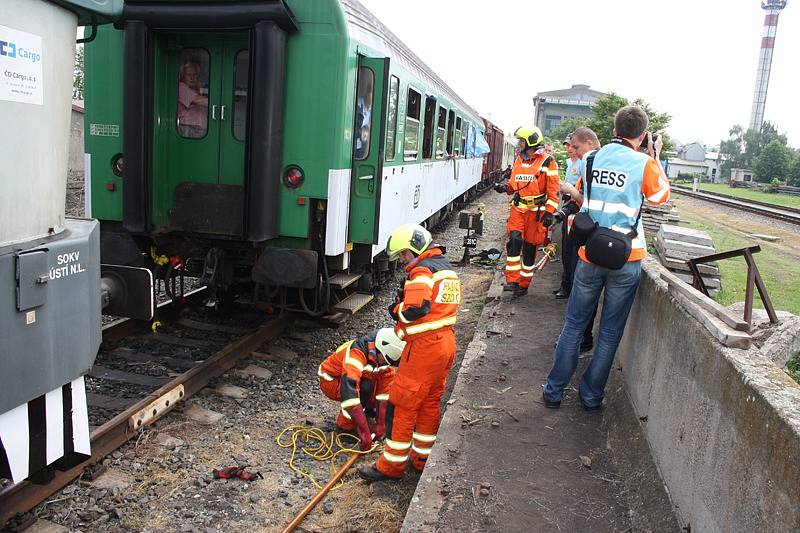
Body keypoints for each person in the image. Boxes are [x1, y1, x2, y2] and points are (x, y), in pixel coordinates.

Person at [543, 106, 670, 410]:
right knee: (610, 333)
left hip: (590, 253)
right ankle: (590, 396)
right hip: (628, 257)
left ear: (614, 130)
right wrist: (654, 155)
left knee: (573, 325)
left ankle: (554, 391)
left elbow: (585, 196)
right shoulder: (645, 164)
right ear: (643, 135)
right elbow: (660, 197)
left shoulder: (591, 158)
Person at [359, 224, 461, 481]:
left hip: (425, 348)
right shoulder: (446, 270)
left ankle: (390, 467)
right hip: (446, 343)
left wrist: (396, 309)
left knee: (403, 404)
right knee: (428, 402)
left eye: (404, 254)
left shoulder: (423, 271)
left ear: (415, 248)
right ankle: (421, 458)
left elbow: (415, 309)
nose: (403, 260)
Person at [494, 126, 560, 296]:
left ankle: (524, 283)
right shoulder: (518, 160)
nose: (519, 144)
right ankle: (512, 280)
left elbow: (553, 191)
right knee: (514, 241)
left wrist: (549, 212)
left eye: (521, 141)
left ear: (530, 142)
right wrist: (504, 188)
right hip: (518, 209)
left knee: (530, 248)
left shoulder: (548, 162)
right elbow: (514, 184)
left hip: (536, 213)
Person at [318, 328, 404, 451]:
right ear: (380, 351)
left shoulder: (382, 358)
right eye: (385, 360)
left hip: (350, 380)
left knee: (375, 386)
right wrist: (364, 432)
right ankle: (345, 426)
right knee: (364, 388)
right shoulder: (356, 354)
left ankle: (366, 411)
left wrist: (381, 424)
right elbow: (349, 393)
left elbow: (384, 393)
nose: (386, 364)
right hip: (331, 381)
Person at [177, 62, 208, 138]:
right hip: (188, 128)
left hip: (198, 130)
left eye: (194, 74)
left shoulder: (196, 88)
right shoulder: (181, 87)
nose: (192, 77)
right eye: (189, 75)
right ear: (183, 76)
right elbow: (199, 100)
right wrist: (221, 101)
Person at [354, 76, 373, 159]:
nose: (370, 101)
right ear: (366, 95)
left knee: (363, 148)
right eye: (368, 97)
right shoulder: (358, 103)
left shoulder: (371, 108)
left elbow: (369, 121)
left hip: (363, 131)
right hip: (357, 129)